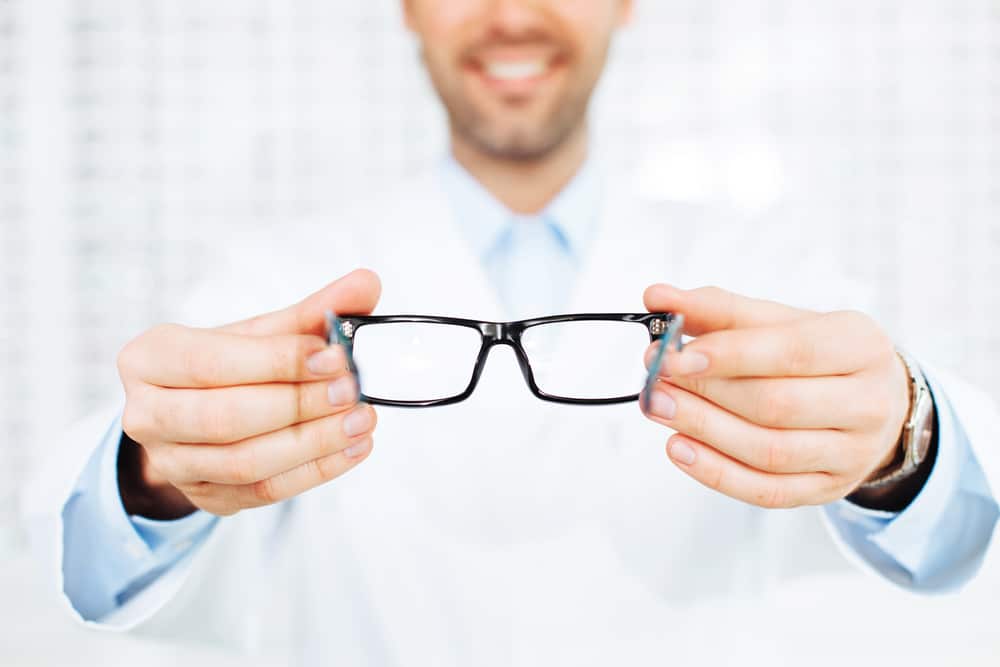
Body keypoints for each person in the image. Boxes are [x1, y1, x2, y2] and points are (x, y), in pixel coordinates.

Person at [25, 1, 1000, 664]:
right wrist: (149, 474)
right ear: (407, 8)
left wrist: (900, 437)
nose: (511, 9)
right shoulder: (282, 271)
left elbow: (961, 525)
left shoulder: (767, 264)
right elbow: (83, 561)